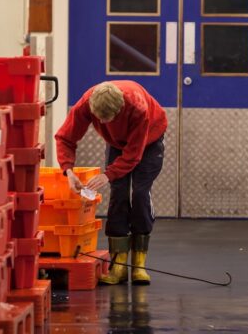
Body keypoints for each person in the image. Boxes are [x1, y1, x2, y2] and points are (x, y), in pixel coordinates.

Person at [55, 81, 167, 285]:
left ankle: (139, 264)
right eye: (99, 118)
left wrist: (107, 175)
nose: (102, 123)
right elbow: (65, 138)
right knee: (119, 194)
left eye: (107, 119)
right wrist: (68, 171)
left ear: (120, 109)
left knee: (139, 193)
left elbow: (133, 155)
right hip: (117, 143)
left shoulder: (137, 107)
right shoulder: (86, 104)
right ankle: (119, 264)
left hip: (149, 140)